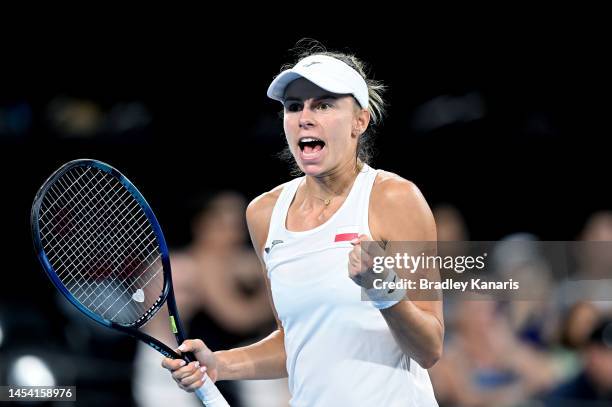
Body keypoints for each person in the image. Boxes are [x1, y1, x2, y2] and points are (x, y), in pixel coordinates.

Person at [162, 41, 444, 406]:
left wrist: (382, 289)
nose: (305, 117)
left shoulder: (395, 199)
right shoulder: (264, 214)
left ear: (360, 120)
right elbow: (293, 339)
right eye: (294, 106)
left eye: (323, 104)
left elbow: (430, 348)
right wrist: (220, 363)